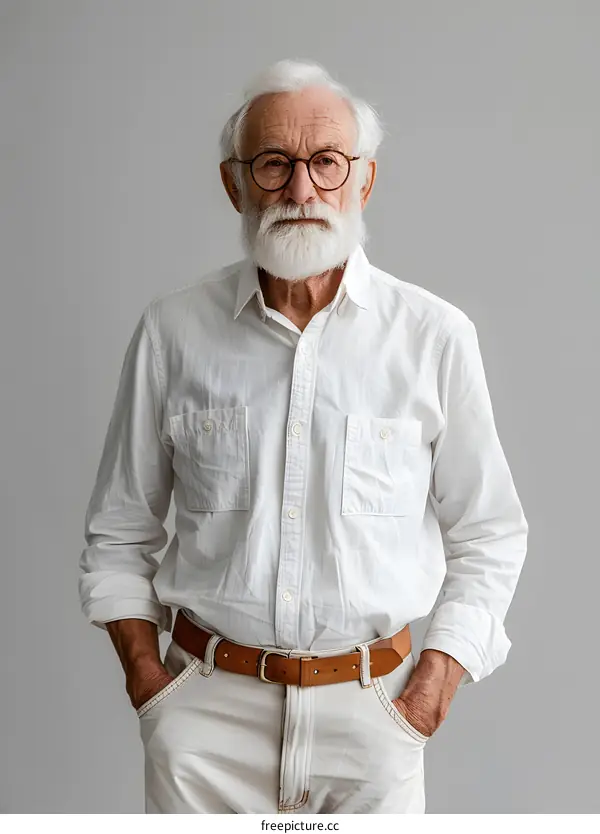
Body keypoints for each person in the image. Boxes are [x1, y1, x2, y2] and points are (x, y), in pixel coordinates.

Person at [79, 59, 528, 814]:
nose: (301, 189)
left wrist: (426, 696)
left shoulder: (434, 337)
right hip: (205, 719)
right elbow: (119, 531)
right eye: (274, 163)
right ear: (235, 184)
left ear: (364, 181)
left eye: (326, 162)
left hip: (374, 716)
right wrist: (152, 690)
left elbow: (489, 534)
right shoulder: (173, 330)